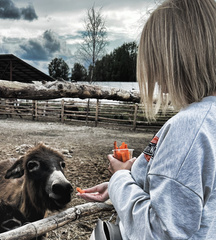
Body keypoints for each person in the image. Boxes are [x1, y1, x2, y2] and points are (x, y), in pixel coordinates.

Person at [78, 0, 216, 239]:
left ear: (175, 57)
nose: (156, 75)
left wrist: (119, 178)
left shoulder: (190, 128)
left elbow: (159, 232)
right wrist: (121, 186)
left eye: (156, 59)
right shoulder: (207, 121)